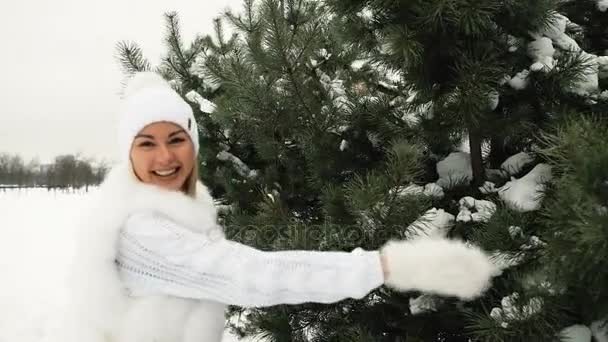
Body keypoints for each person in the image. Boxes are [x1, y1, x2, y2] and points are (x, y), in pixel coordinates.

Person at [65, 72, 497, 342]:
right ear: (128, 152)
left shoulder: (165, 211)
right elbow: (252, 276)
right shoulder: (142, 230)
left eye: (176, 139)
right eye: (147, 144)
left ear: (193, 145)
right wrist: (384, 266)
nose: (165, 157)